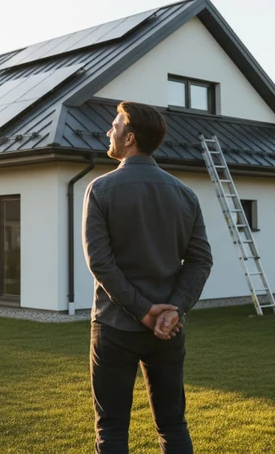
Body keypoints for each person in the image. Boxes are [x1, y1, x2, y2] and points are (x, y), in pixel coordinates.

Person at [83, 101, 213, 453]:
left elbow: (100, 263)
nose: (108, 132)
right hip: (168, 330)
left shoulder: (100, 189)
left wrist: (144, 311)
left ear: (130, 138)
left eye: (114, 127)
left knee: (111, 430)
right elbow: (201, 261)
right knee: (173, 424)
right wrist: (174, 311)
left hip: (114, 327)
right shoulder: (185, 194)